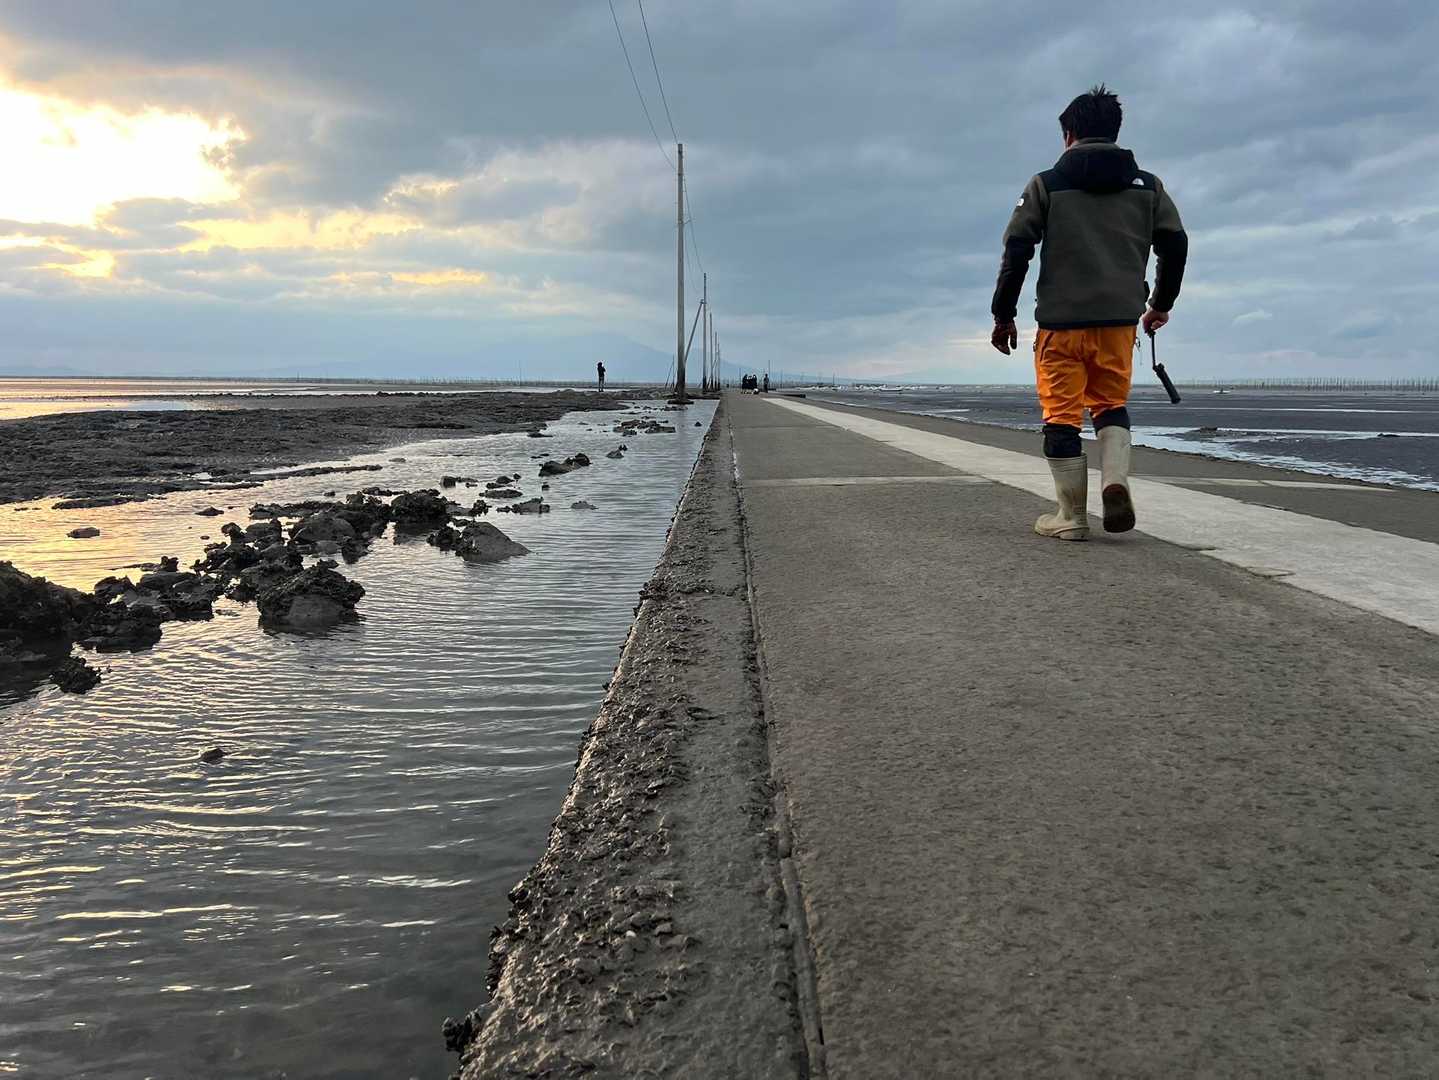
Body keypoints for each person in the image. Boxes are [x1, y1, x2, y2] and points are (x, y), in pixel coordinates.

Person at [990, 84, 1188, 540]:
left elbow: (1017, 249)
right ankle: (1114, 481)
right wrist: (1160, 305)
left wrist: (1003, 314)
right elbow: (1175, 246)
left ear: (1068, 135)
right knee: (1110, 405)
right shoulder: (1148, 187)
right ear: (1115, 132)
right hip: (1118, 324)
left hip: (1061, 325)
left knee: (1061, 415)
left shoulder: (1047, 184)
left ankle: (1071, 516)